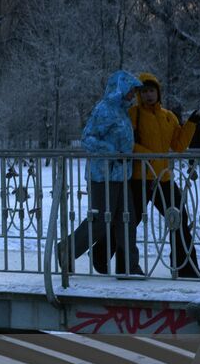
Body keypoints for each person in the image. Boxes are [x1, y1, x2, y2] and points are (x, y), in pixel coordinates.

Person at [57, 71, 143, 276]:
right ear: (121, 88)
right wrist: (113, 153)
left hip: (121, 174)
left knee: (127, 219)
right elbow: (88, 139)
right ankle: (67, 249)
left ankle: (129, 266)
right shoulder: (104, 110)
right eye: (131, 90)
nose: (134, 94)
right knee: (99, 221)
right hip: (102, 175)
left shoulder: (121, 111)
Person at [128, 72, 200, 279]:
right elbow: (128, 144)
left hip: (163, 178)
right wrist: (151, 157)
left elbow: (178, 146)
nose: (148, 95)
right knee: (129, 220)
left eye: (151, 91)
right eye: (144, 92)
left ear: (158, 92)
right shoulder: (132, 114)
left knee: (178, 218)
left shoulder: (168, 116)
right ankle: (110, 257)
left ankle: (186, 267)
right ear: (138, 94)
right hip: (140, 178)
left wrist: (191, 123)